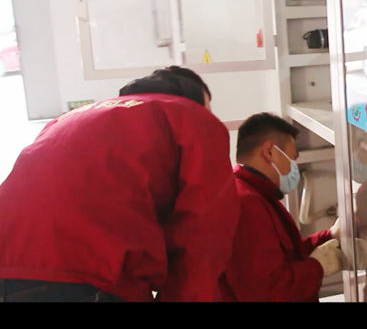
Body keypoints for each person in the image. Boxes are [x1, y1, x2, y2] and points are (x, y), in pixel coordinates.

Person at [0, 66, 239, 302]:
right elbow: (205, 229)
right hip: (92, 273)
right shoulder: (192, 116)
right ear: (196, 99)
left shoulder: (68, 118)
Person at [219, 112, 343, 302]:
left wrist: (331, 235)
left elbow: (285, 256)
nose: (294, 168)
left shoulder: (254, 194)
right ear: (269, 151)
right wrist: (316, 266)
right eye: (292, 158)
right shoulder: (246, 203)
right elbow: (267, 291)